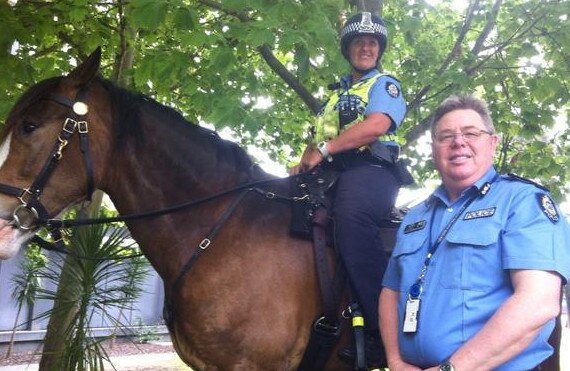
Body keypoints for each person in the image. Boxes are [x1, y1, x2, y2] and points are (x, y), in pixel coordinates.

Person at [379, 95, 570, 371]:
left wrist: (451, 369)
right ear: (434, 149)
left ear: (492, 143)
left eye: (471, 133)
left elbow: (538, 302)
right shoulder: (415, 216)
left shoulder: (523, 202)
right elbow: (391, 293)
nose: (458, 142)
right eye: (446, 136)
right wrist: (396, 362)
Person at [290, 11, 411, 367]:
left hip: (370, 169)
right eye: (359, 41)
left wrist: (325, 150)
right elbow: (316, 142)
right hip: (331, 173)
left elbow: (376, 125)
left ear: (379, 50)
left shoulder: (384, 84)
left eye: (372, 43)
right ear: (347, 48)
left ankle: (380, 333)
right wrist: (302, 162)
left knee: (351, 220)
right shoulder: (333, 95)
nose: (366, 47)